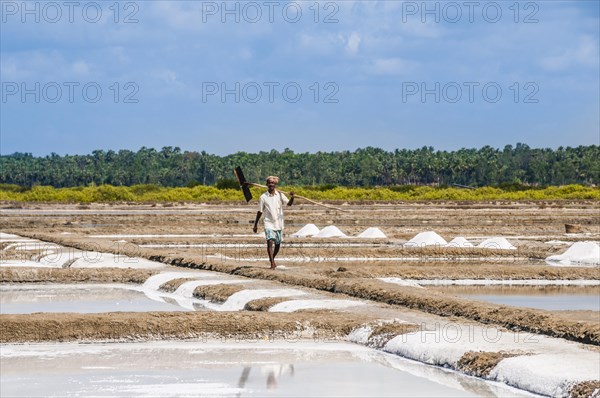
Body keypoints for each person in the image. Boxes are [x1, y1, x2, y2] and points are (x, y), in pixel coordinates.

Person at [252, 176, 294, 269]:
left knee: (278, 244)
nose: (271, 184)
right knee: (270, 241)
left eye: (273, 183)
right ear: (267, 184)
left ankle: (272, 259)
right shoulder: (263, 197)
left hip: (278, 223)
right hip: (268, 222)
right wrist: (255, 224)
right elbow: (260, 211)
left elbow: (289, 204)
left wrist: (292, 197)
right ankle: (272, 263)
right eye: (269, 183)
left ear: (275, 184)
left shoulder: (280, 194)